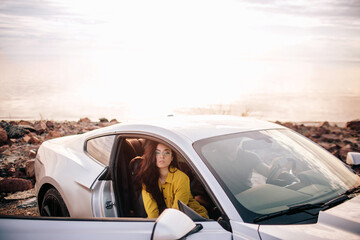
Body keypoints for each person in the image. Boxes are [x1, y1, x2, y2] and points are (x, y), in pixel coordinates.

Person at [134, 140, 208, 219]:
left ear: (172, 157)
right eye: (157, 152)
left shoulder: (181, 178)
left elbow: (176, 212)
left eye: (166, 153)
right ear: (152, 155)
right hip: (168, 222)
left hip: (195, 220)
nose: (162, 156)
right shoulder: (147, 178)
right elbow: (152, 213)